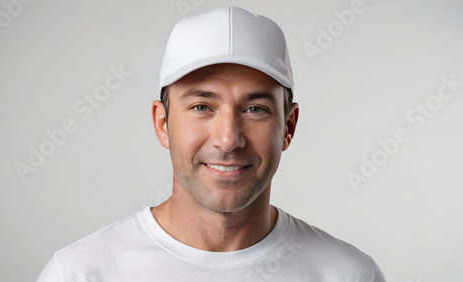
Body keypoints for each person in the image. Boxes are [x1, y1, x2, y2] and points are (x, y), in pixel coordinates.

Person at [37, 6, 385, 281]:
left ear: (289, 126)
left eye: (255, 109)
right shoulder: (78, 274)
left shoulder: (350, 275)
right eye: (201, 107)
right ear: (162, 123)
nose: (228, 139)